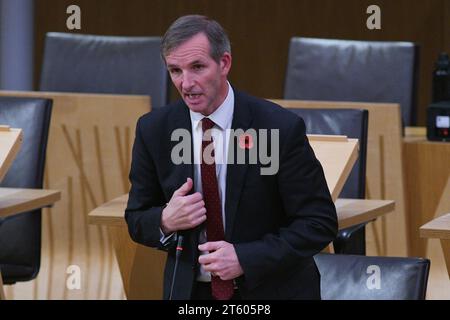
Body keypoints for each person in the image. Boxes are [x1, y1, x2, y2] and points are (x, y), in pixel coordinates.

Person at [125, 15, 337, 300]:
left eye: (197, 67)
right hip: (191, 294)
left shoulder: (277, 128)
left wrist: (245, 257)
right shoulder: (154, 130)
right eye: (175, 70)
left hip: (270, 291)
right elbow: (137, 217)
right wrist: (165, 220)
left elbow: (317, 223)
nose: (186, 83)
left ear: (224, 63)